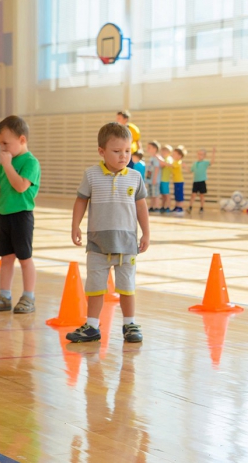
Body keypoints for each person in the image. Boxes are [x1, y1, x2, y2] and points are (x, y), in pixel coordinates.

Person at [67, 122, 150, 343]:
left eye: (127, 150)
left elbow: (141, 207)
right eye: (117, 151)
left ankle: (130, 324)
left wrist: (146, 233)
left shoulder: (135, 177)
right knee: (95, 287)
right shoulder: (91, 175)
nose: (124, 156)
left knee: (127, 287)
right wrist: (75, 225)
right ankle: (92, 326)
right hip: (98, 244)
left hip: (127, 244)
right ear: (101, 151)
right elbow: (81, 200)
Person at [0, 116, 41, 314]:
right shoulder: (6, 162)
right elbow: (5, 185)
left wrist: (8, 165)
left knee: (24, 258)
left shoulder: (30, 162)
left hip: (21, 216)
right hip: (4, 214)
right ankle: (4, 296)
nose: (2, 148)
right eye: (0, 144)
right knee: (6, 258)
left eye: (5, 143)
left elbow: (20, 186)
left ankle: (28, 297)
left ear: (22, 140)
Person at [188, 147, 215, 213]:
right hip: (195, 181)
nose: (200, 156)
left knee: (202, 195)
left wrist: (213, 153)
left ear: (204, 156)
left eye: (202, 154)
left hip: (202, 181)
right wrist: (185, 166)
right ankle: (190, 207)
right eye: (199, 154)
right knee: (193, 195)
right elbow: (190, 171)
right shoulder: (195, 163)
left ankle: (202, 208)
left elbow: (212, 162)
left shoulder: (205, 162)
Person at [145, 141, 162, 212]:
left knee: (155, 194)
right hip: (150, 180)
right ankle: (151, 206)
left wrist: (154, 178)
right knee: (151, 194)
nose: (147, 149)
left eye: (149, 148)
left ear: (155, 149)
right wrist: (147, 178)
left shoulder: (156, 158)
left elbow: (156, 168)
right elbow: (150, 169)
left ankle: (157, 207)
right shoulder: (151, 158)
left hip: (154, 180)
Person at [170, 145, 186, 215]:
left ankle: (180, 207)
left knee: (180, 195)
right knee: (176, 194)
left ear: (180, 156)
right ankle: (176, 206)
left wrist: (162, 162)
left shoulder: (178, 162)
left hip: (179, 181)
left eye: (174, 154)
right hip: (176, 181)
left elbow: (171, 165)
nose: (172, 155)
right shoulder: (175, 161)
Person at [159, 144, 173, 213]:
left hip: (165, 180)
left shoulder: (169, 159)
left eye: (165, 151)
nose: (163, 153)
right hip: (161, 179)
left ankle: (168, 207)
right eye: (162, 151)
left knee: (166, 194)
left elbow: (164, 165)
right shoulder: (163, 159)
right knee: (163, 195)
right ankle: (163, 206)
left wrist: (159, 159)